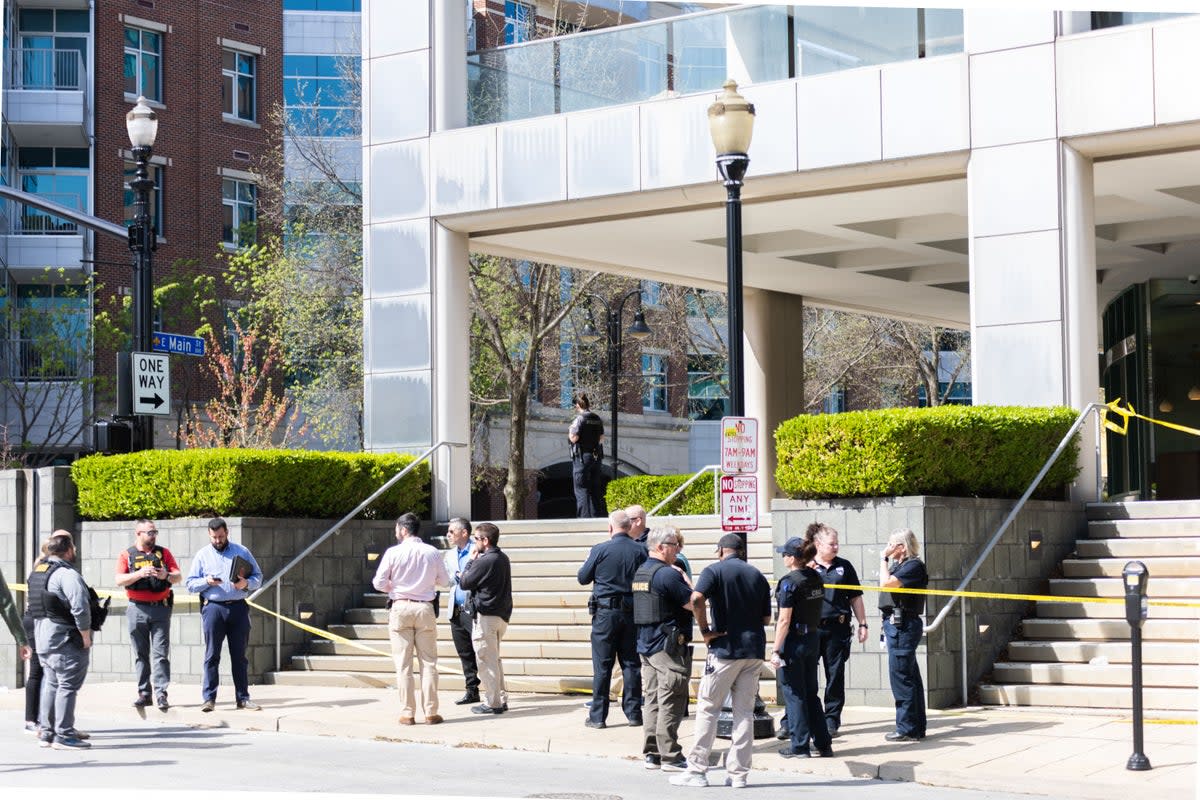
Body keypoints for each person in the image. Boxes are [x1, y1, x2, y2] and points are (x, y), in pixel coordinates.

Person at [669, 533, 771, 789]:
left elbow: (695, 599)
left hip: (725, 649)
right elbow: (767, 619)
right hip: (754, 650)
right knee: (744, 713)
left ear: (721, 551)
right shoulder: (757, 575)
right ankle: (738, 775)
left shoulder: (713, 571)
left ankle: (697, 769)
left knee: (708, 708)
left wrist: (705, 630)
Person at [372, 512, 449, 726]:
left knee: (403, 664)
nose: (396, 532)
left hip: (400, 606)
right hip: (424, 607)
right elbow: (445, 580)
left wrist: (393, 588)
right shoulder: (432, 552)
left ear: (404, 530)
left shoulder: (392, 552)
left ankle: (408, 713)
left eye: (397, 529)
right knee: (429, 663)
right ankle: (431, 711)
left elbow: (378, 582)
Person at [577, 508, 647, 729]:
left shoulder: (600, 549)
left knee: (603, 666)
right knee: (631, 664)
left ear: (610, 528)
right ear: (628, 527)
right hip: (633, 613)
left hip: (605, 614)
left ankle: (598, 717)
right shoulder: (640, 550)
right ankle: (634, 713)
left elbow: (582, 578)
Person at [185, 517, 264, 713]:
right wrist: (206, 581)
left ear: (227, 533)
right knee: (212, 655)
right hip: (213, 608)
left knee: (239, 656)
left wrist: (246, 584)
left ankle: (243, 698)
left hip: (238, 607)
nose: (218, 541)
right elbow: (190, 584)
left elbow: (258, 577)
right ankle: (209, 699)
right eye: (214, 537)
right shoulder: (202, 555)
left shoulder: (241, 551)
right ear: (209, 535)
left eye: (221, 536)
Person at [632, 525, 693, 772]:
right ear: (660, 547)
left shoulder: (642, 572)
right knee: (672, 698)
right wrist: (688, 581)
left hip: (647, 644)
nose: (677, 549)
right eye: (673, 545)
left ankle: (653, 753)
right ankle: (671, 756)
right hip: (667, 646)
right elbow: (693, 602)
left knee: (654, 699)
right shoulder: (668, 574)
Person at [27, 531, 92, 749]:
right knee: (67, 686)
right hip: (65, 639)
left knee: (52, 684)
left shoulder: (38, 571)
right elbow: (80, 607)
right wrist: (85, 635)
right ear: (68, 550)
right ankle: (63, 735)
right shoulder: (67, 574)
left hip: (43, 638)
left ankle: (47, 732)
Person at [772, 537, 833, 759]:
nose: (783, 557)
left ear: (792, 557)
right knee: (810, 693)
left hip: (795, 642)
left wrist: (775, 650)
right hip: (812, 639)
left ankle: (799, 746)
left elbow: (784, 620)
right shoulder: (815, 577)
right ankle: (824, 744)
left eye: (784, 554)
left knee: (794, 694)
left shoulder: (789, 582)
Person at [115, 518, 182, 711]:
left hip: (160, 608)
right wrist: (139, 574)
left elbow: (178, 576)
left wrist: (166, 576)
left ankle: (161, 693)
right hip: (136, 608)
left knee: (161, 654)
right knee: (140, 653)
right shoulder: (127, 555)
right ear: (139, 534)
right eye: (149, 533)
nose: (153, 536)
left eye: (155, 532)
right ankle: (144, 693)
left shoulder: (163, 553)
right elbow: (119, 579)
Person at [459, 522, 513, 716]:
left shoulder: (485, 560)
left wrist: (471, 561)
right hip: (501, 615)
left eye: (476, 538)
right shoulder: (503, 558)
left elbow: (465, 582)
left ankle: (493, 702)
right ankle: (500, 698)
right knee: (494, 659)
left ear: (485, 540)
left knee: (486, 659)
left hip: (486, 616)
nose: (474, 543)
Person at [880, 527, 928, 742]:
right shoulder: (901, 565)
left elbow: (887, 583)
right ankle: (915, 727)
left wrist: (883, 559)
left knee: (901, 677)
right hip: (898, 624)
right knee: (909, 676)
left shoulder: (913, 565)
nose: (888, 548)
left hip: (903, 626)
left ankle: (907, 728)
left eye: (891, 544)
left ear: (901, 547)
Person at [442, 517, 480, 706]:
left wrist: (464, 577)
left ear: (464, 533)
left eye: (451, 532)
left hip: (473, 608)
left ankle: (494, 692)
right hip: (456, 609)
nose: (448, 535)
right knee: (464, 652)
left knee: (481, 651)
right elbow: (448, 579)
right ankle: (471, 689)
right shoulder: (449, 555)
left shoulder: (477, 549)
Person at [568, 392, 605, 518]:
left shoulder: (580, 419)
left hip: (582, 458)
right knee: (595, 489)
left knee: (581, 489)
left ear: (578, 405)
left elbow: (574, 438)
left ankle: (583, 519)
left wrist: (569, 433)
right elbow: (601, 438)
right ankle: (596, 517)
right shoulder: (597, 418)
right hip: (596, 457)